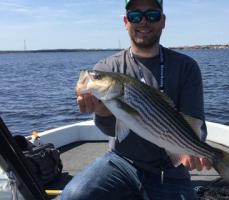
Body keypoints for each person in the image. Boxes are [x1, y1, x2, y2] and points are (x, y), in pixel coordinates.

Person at [62, 0, 210, 199]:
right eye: (135, 16)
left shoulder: (186, 67)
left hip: (170, 170)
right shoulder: (108, 67)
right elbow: (109, 130)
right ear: (125, 21)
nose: (143, 22)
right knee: (73, 195)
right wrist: (101, 110)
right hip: (121, 161)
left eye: (152, 15)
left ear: (163, 21)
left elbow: (195, 123)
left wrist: (191, 148)